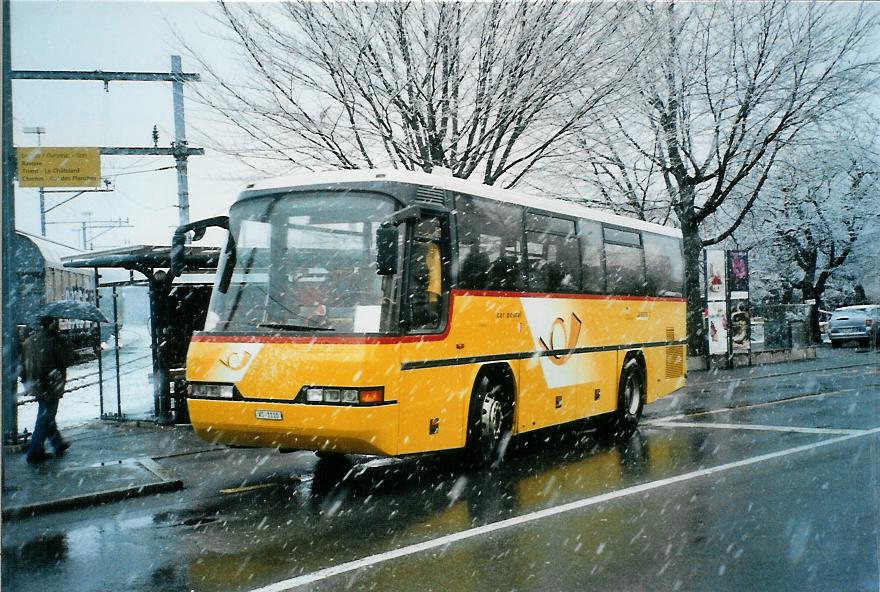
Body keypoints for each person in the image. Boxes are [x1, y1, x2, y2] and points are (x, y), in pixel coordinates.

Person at [21, 317, 76, 464]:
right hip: (51, 384)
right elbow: (67, 359)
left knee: (47, 414)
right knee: (45, 417)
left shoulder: (29, 341)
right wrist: (70, 350)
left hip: (35, 384)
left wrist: (27, 381)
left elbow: (22, 365)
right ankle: (35, 451)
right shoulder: (53, 340)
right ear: (52, 324)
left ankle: (58, 443)